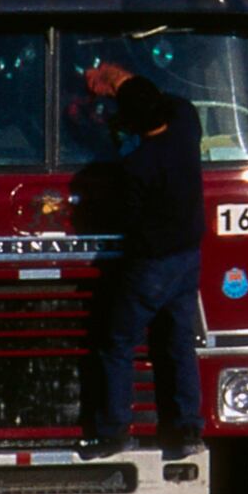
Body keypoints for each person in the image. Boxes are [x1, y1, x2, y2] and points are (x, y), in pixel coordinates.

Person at [75, 58, 206, 458]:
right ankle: (185, 429)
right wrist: (124, 82)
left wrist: (106, 87)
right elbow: (177, 102)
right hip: (188, 259)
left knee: (117, 344)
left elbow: (127, 218)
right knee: (179, 343)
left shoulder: (137, 165)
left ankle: (113, 430)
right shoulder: (186, 128)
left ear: (130, 122)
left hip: (150, 266)